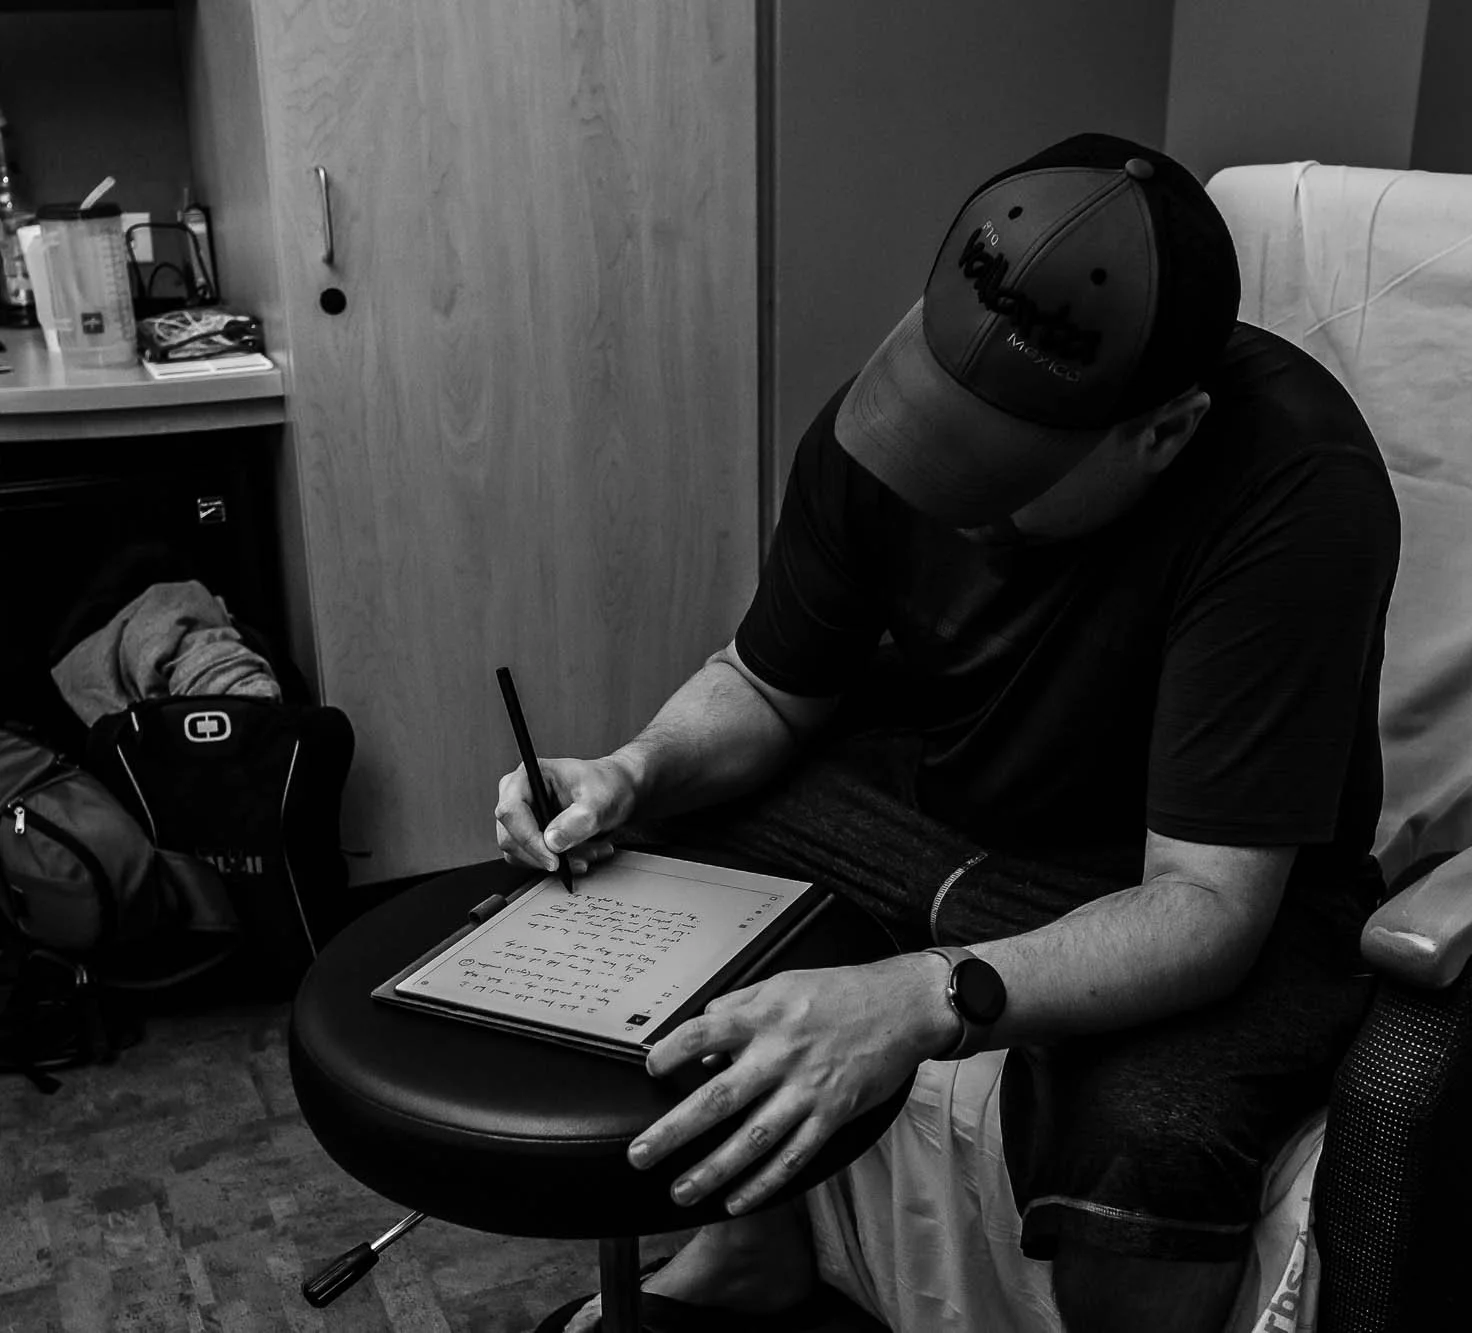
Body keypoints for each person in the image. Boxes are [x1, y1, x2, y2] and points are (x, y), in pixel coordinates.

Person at [496, 132, 1400, 1333]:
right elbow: (767, 687)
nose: (943, 483)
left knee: (1152, 1139)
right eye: (938, 426)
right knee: (659, 855)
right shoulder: (889, 416)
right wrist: (632, 770)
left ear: (1164, 430)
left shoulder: (1296, 487)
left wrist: (915, 999)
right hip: (940, 801)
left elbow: (1205, 906)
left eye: (1000, 470)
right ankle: (751, 1251)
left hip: (1173, 871)